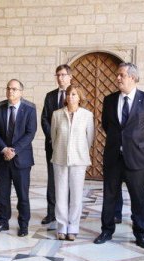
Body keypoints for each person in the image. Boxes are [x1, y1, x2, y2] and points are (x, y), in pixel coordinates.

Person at [94, 63, 144, 249]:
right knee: (109, 196)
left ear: (132, 77)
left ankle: (141, 234)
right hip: (113, 158)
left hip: (137, 158)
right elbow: (107, 125)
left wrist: (139, 143)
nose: (117, 78)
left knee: (138, 197)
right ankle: (106, 230)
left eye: (121, 75)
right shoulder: (109, 100)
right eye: (118, 75)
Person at [0, 79, 37, 237]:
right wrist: (4, 149)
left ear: (21, 92)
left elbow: (30, 133)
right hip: (2, 157)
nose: (11, 91)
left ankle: (23, 225)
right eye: (8, 88)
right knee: (3, 193)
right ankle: (3, 222)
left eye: (14, 89)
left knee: (22, 194)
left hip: (21, 159)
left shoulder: (30, 108)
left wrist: (14, 150)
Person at [51, 84, 94, 241]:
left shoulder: (87, 115)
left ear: (79, 97)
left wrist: (79, 151)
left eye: (74, 94)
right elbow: (54, 136)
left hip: (79, 160)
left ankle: (73, 227)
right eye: (68, 94)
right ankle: (62, 227)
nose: (70, 97)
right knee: (60, 194)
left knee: (76, 195)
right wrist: (60, 150)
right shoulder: (57, 114)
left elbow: (89, 138)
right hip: (60, 159)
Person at [40, 64, 72, 225]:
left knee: (68, 179)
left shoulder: (74, 94)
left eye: (63, 75)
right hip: (52, 144)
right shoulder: (50, 96)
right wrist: (52, 136)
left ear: (70, 77)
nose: (60, 78)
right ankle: (51, 212)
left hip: (69, 145)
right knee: (52, 178)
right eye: (58, 75)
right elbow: (44, 118)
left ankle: (67, 212)